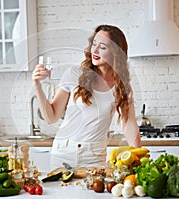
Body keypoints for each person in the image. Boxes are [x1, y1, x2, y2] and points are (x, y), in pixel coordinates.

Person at [32, 24, 141, 170]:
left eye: (102, 47)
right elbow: (51, 117)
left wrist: (139, 157)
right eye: (94, 44)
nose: (94, 50)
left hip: (94, 157)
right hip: (64, 152)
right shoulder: (74, 74)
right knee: (61, 192)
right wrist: (37, 85)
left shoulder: (121, 87)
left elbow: (129, 124)